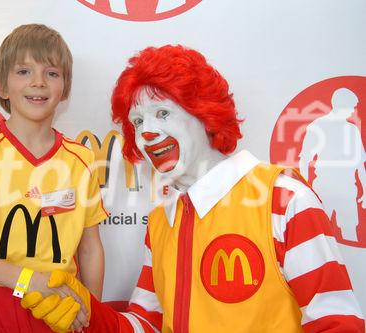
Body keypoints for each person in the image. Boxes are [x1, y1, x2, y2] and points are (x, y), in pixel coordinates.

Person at [22, 45, 365, 332]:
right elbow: (147, 323)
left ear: (205, 113)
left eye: (162, 113)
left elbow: (337, 323)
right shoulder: (160, 223)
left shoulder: (283, 199)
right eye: (138, 121)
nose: (146, 133)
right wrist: (88, 313)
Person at [0, 24, 108, 332]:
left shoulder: (81, 159)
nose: (38, 82)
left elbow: (90, 247)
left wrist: (89, 307)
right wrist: (29, 281)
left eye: (52, 73)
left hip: (59, 303)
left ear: (65, 89)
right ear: (1, 86)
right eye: (24, 71)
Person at [299, 87, 366, 242]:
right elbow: (304, 160)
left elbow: (359, 164)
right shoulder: (318, 126)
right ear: (341, 105)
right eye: (351, 106)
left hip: (347, 189)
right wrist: (306, 189)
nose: (353, 111)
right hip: (323, 189)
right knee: (317, 236)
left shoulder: (351, 130)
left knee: (350, 233)